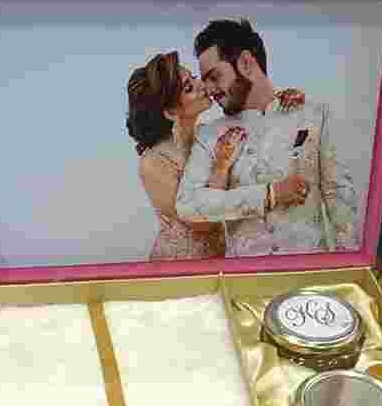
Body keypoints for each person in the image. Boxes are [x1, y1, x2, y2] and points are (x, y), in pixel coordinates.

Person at [175, 18, 363, 258]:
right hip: (243, 278)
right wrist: (268, 195)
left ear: (245, 63)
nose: (209, 90)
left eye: (214, 77)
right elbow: (187, 204)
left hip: (309, 274)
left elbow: (340, 198)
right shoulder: (210, 135)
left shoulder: (313, 115)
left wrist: (349, 267)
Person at [126, 51, 304, 261]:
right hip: (179, 268)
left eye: (193, 77)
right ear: (171, 111)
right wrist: (221, 167)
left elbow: (256, 140)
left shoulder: (209, 134)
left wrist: (279, 104)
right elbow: (203, 223)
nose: (201, 85)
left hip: (222, 260)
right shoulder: (154, 162)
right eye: (189, 88)